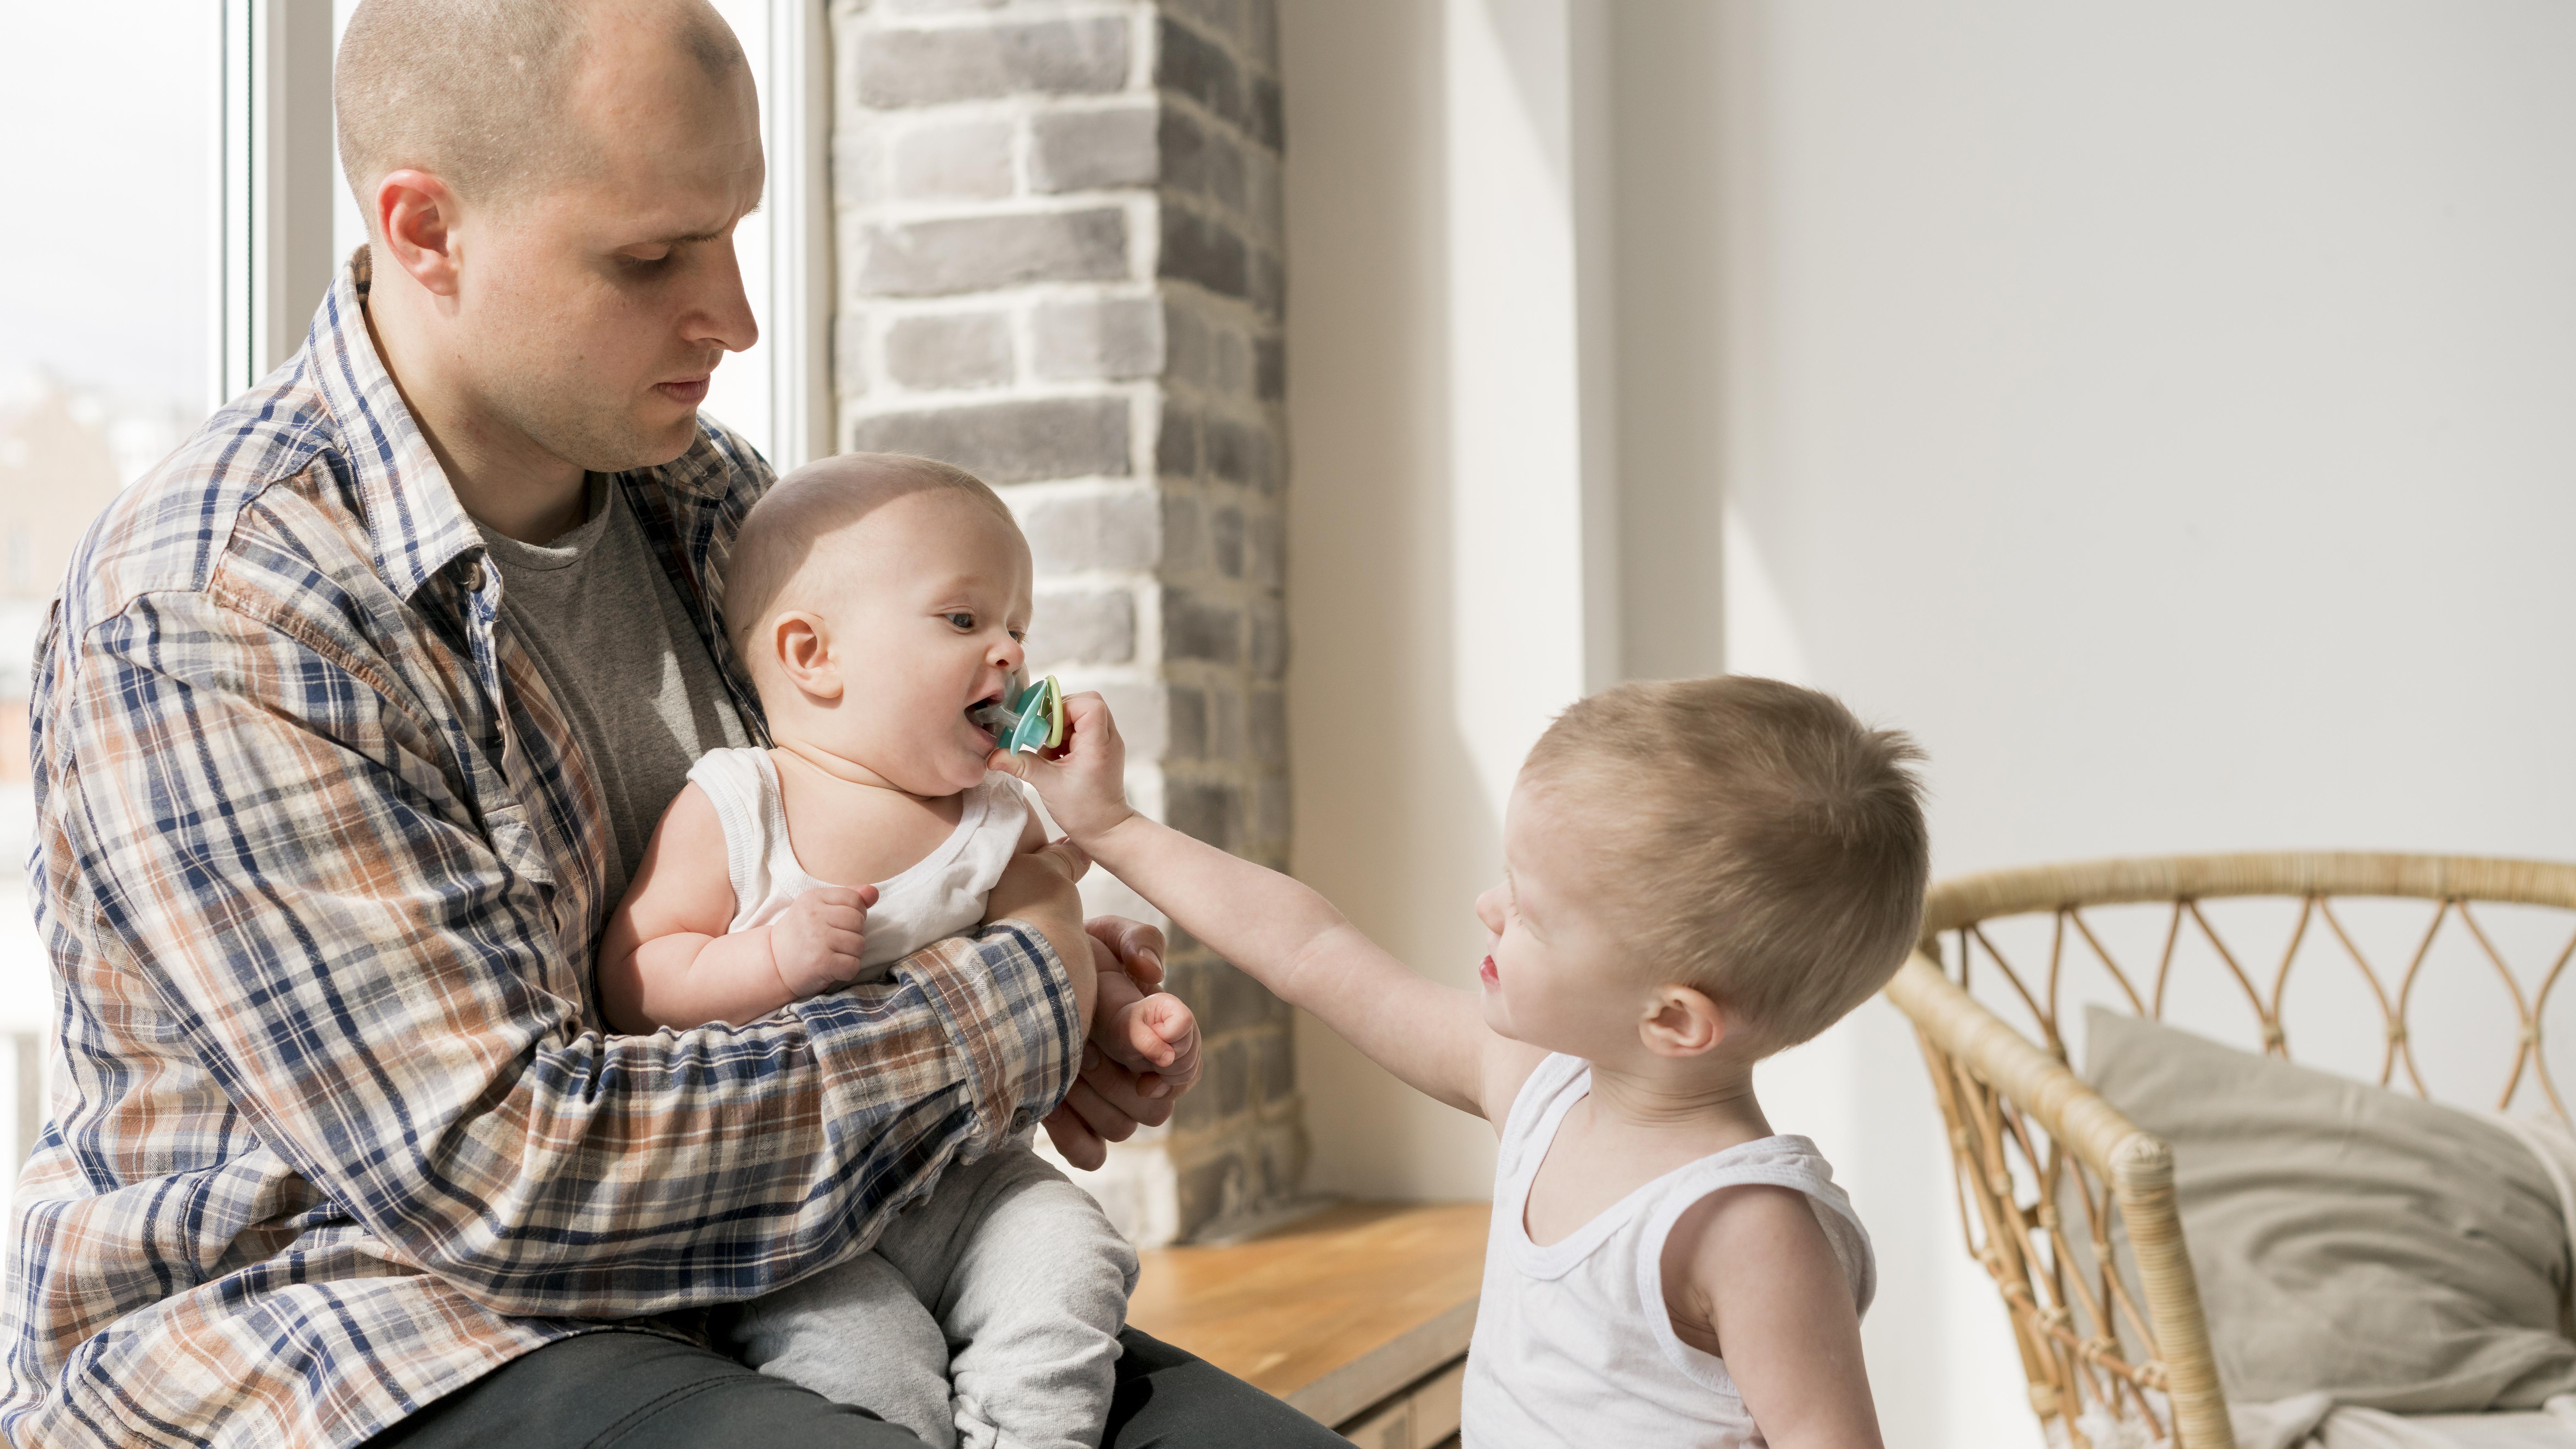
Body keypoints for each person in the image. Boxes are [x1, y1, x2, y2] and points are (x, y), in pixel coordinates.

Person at [0, 2, 1340, 1446]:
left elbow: (885, 871)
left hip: (781, 1264)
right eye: (651, 258)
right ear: (425, 230)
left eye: (733, 231)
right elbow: (509, 1179)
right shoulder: (220, 604)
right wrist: (1012, 995)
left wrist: (1050, 985)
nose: (735, 317)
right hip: (359, 1330)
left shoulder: (711, 503)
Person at [1001, 675, 1930, 1448]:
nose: (1489, 906)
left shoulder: (1749, 1227)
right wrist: (1115, 826)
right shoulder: (1541, 1086)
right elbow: (1313, 950)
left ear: (1674, 1018)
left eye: (1532, 911)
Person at [597, 453, 1203, 1449]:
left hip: (972, 1181)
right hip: (802, 1221)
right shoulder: (741, 802)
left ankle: (1032, 1437)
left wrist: (1120, 1004)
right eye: (966, 621)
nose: (1009, 652)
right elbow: (635, 973)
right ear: (813, 655)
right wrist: (768, 965)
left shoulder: (998, 817)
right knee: (860, 1361)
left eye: (1019, 626)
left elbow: (1044, 959)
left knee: (1073, 1250)